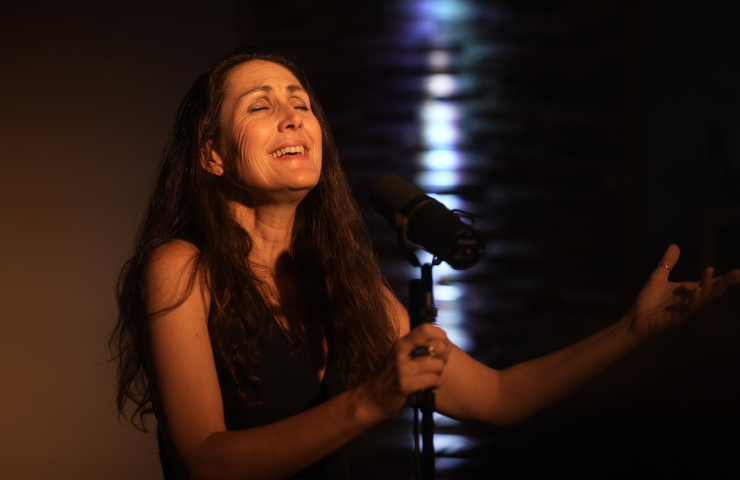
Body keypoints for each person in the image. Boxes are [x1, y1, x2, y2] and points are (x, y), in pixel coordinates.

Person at [109, 48, 740, 480]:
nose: (292, 113)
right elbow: (207, 462)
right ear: (212, 156)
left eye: (299, 100)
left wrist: (631, 331)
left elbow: (497, 395)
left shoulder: (342, 280)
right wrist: (372, 399)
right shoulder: (180, 268)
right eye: (259, 105)